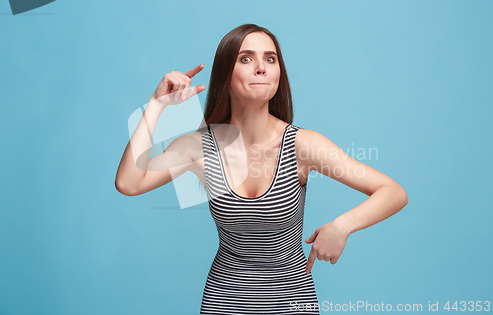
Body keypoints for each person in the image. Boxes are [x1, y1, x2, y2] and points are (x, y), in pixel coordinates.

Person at [115, 23, 408, 314]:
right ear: (225, 76)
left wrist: (343, 226)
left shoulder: (302, 145)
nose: (261, 68)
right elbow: (129, 183)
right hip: (224, 304)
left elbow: (393, 191)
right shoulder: (197, 147)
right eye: (246, 59)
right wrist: (156, 104)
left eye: (270, 59)